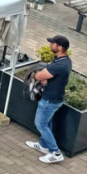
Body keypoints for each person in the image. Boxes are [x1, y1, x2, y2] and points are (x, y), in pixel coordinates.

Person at [27, 35, 72, 164]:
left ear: (60, 47)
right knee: (46, 122)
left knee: (40, 124)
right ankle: (43, 145)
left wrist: (37, 74)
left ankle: (55, 152)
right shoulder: (65, 60)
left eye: (53, 43)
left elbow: (39, 76)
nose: (50, 45)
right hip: (54, 98)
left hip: (50, 100)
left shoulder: (59, 65)